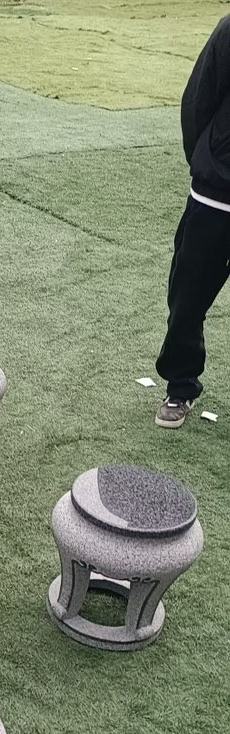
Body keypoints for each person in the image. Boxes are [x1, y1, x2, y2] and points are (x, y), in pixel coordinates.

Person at [155, 16, 230, 427]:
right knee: (187, 297)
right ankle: (180, 386)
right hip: (215, 195)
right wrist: (207, 162)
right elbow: (198, 100)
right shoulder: (229, 30)